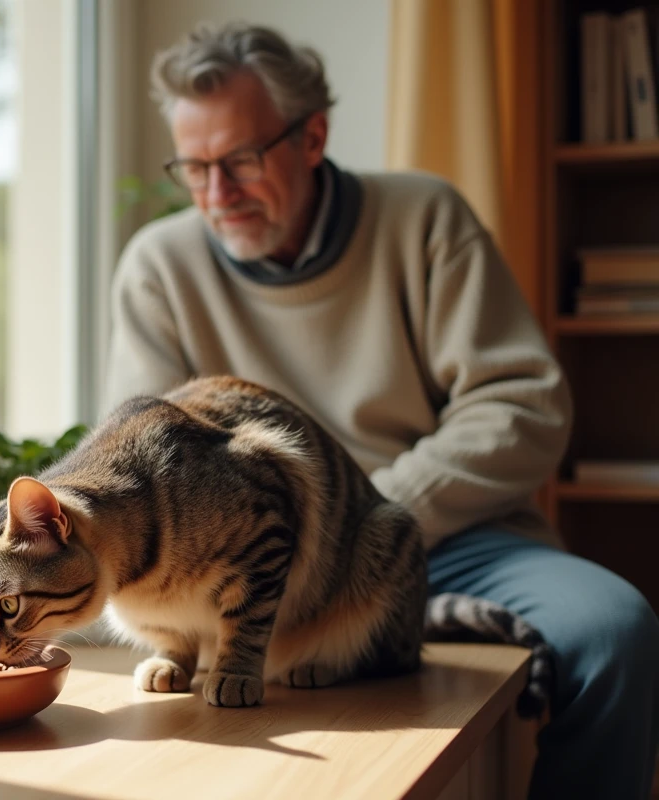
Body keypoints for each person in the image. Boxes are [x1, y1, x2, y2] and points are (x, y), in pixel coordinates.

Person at [101, 20, 659, 800]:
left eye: (241, 160)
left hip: (452, 532)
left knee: (618, 633)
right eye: (193, 167)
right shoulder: (159, 267)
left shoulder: (426, 217)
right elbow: (144, 466)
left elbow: (524, 404)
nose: (215, 195)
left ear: (312, 135)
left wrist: (366, 526)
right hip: (258, 572)